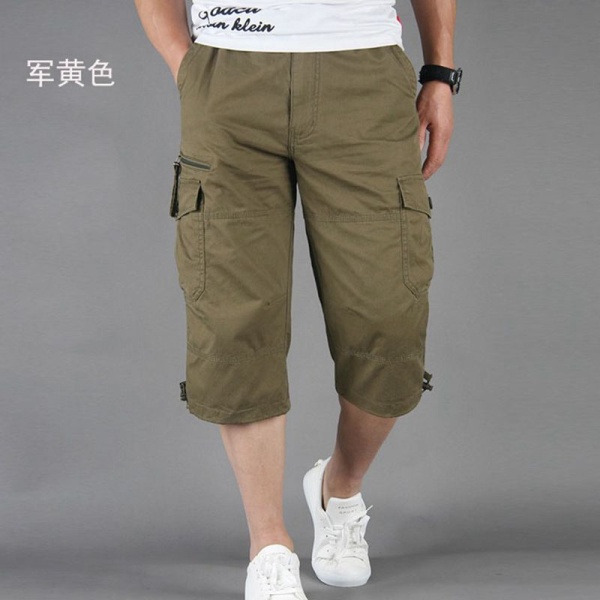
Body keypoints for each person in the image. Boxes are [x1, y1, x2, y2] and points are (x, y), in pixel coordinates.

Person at [134, 1, 460, 598]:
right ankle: (268, 542)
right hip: (230, 69)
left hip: (362, 71)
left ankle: (339, 487)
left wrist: (439, 73)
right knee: (234, 317)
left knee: (389, 316)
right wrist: (187, 65)